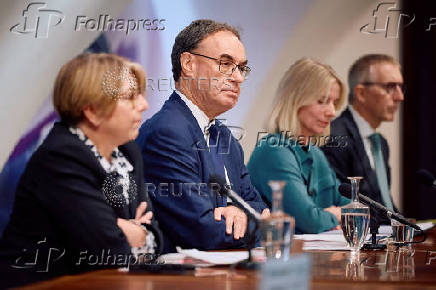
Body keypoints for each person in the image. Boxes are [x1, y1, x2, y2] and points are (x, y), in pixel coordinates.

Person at [0, 53, 160, 288]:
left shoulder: (127, 151)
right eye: (129, 97)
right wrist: (126, 232)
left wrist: (130, 231)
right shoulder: (61, 157)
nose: (144, 105)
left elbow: (155, 236)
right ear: (92, 111)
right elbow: (110, 250)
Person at [136, 19, 269, 253]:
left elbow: (258, 206)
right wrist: (255, 223)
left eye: (241, 68)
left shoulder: (224, 136)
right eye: (226, 63)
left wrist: (241, 214)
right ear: (188, 63)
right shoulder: (167, 133)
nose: (237, 78)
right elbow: (204, 231)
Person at [247, 58, 350, 234]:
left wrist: (333, 213)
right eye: (322, 101)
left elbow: (353, 208)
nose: (332, 112)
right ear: (295, 100)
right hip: (281, 257)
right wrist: (334, 215)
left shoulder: (316, 153)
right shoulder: (273, 150)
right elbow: (309, 221)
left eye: (334, 102)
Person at [322, 54, 404, 224]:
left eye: (400, 87)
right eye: (390, 87)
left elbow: (382, 203)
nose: (399, 97)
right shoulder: (335, 137)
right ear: (361, 93)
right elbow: (342, 203)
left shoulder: (380, 143)